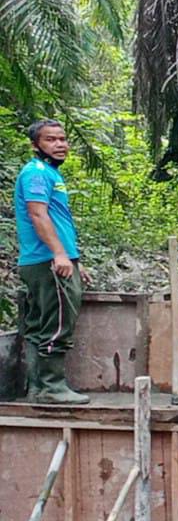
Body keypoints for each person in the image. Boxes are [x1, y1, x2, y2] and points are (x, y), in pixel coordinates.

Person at [14, 119, 90, 404]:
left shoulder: (49, 173)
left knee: (39, 323)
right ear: (35, 145)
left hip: (50, 258)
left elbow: (57, 220)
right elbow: (38, 214)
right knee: (58, 322)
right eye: (51, 139)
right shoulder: (36, 173)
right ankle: (52, 387)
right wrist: (59, 254)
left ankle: (37, 387)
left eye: (62, 139)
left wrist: (73, 258)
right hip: (47, 260)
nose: (60, 144)